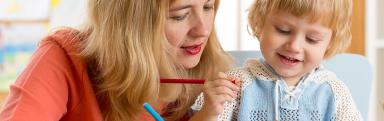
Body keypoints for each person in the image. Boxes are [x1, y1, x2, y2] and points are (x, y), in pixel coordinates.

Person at [0, 0, 233, 120]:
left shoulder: (209, 80)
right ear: (131, 25)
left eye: (208, 6)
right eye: (179, 15)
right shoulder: (64, 56)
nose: (203, 30)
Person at [191, 0, 362, 120]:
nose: (294, 46)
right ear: (260, 22)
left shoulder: (334, 92)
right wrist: (209, 110)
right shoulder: (238, 84)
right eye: (283, 30)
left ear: (330, 43)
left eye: (312, 39)